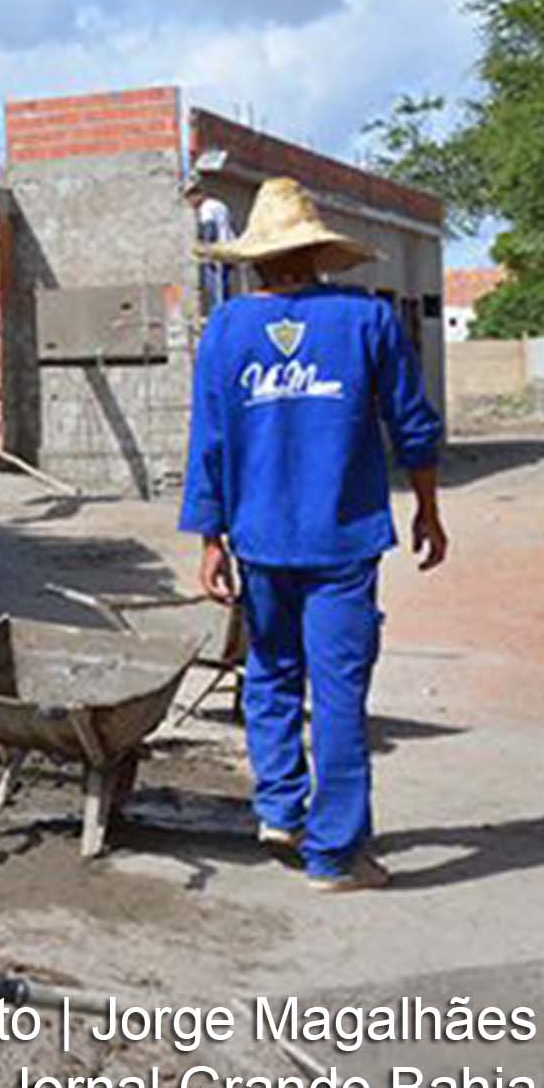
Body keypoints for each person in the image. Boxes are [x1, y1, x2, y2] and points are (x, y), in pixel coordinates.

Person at [178, 178, 445, 892]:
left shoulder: (226, 330)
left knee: (269, 672)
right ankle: (333, 855)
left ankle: (280, 809)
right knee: (337, 692)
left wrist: (210, 539)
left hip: (259, 539)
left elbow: (209, 443)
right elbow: (412, 425)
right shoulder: (366, 320)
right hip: (343, 542)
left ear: (257, 260)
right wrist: (428, 509)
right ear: (318, 255)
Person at [187, 176, 238, 312]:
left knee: (214, 287)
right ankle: (225, 311)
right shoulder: (220, 205)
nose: (190, 204)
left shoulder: (206, 208)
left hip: (216, 252)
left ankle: (218, 313)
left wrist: (205, 248)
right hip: (228, 248)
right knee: (224, 285)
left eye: (190, 200)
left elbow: (210, 229)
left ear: (197, 196)